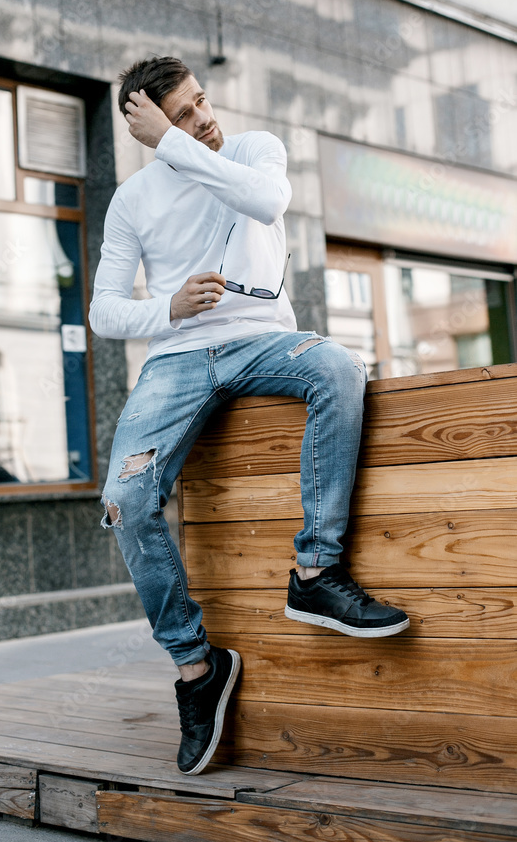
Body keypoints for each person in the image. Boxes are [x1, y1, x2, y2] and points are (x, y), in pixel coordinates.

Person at [89, 56, 409, 776]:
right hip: (175, 357)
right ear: (145, 128)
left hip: (264, 340)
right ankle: (196, 668)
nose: (203, 120)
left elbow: (266, 201)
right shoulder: (132, 201)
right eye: (180, 115)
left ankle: (316, 572)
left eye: (201, 103)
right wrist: (163, 308)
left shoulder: (252, 151)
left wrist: (175, 142)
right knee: (125, 499)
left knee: (336, 367)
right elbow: (104, 312)